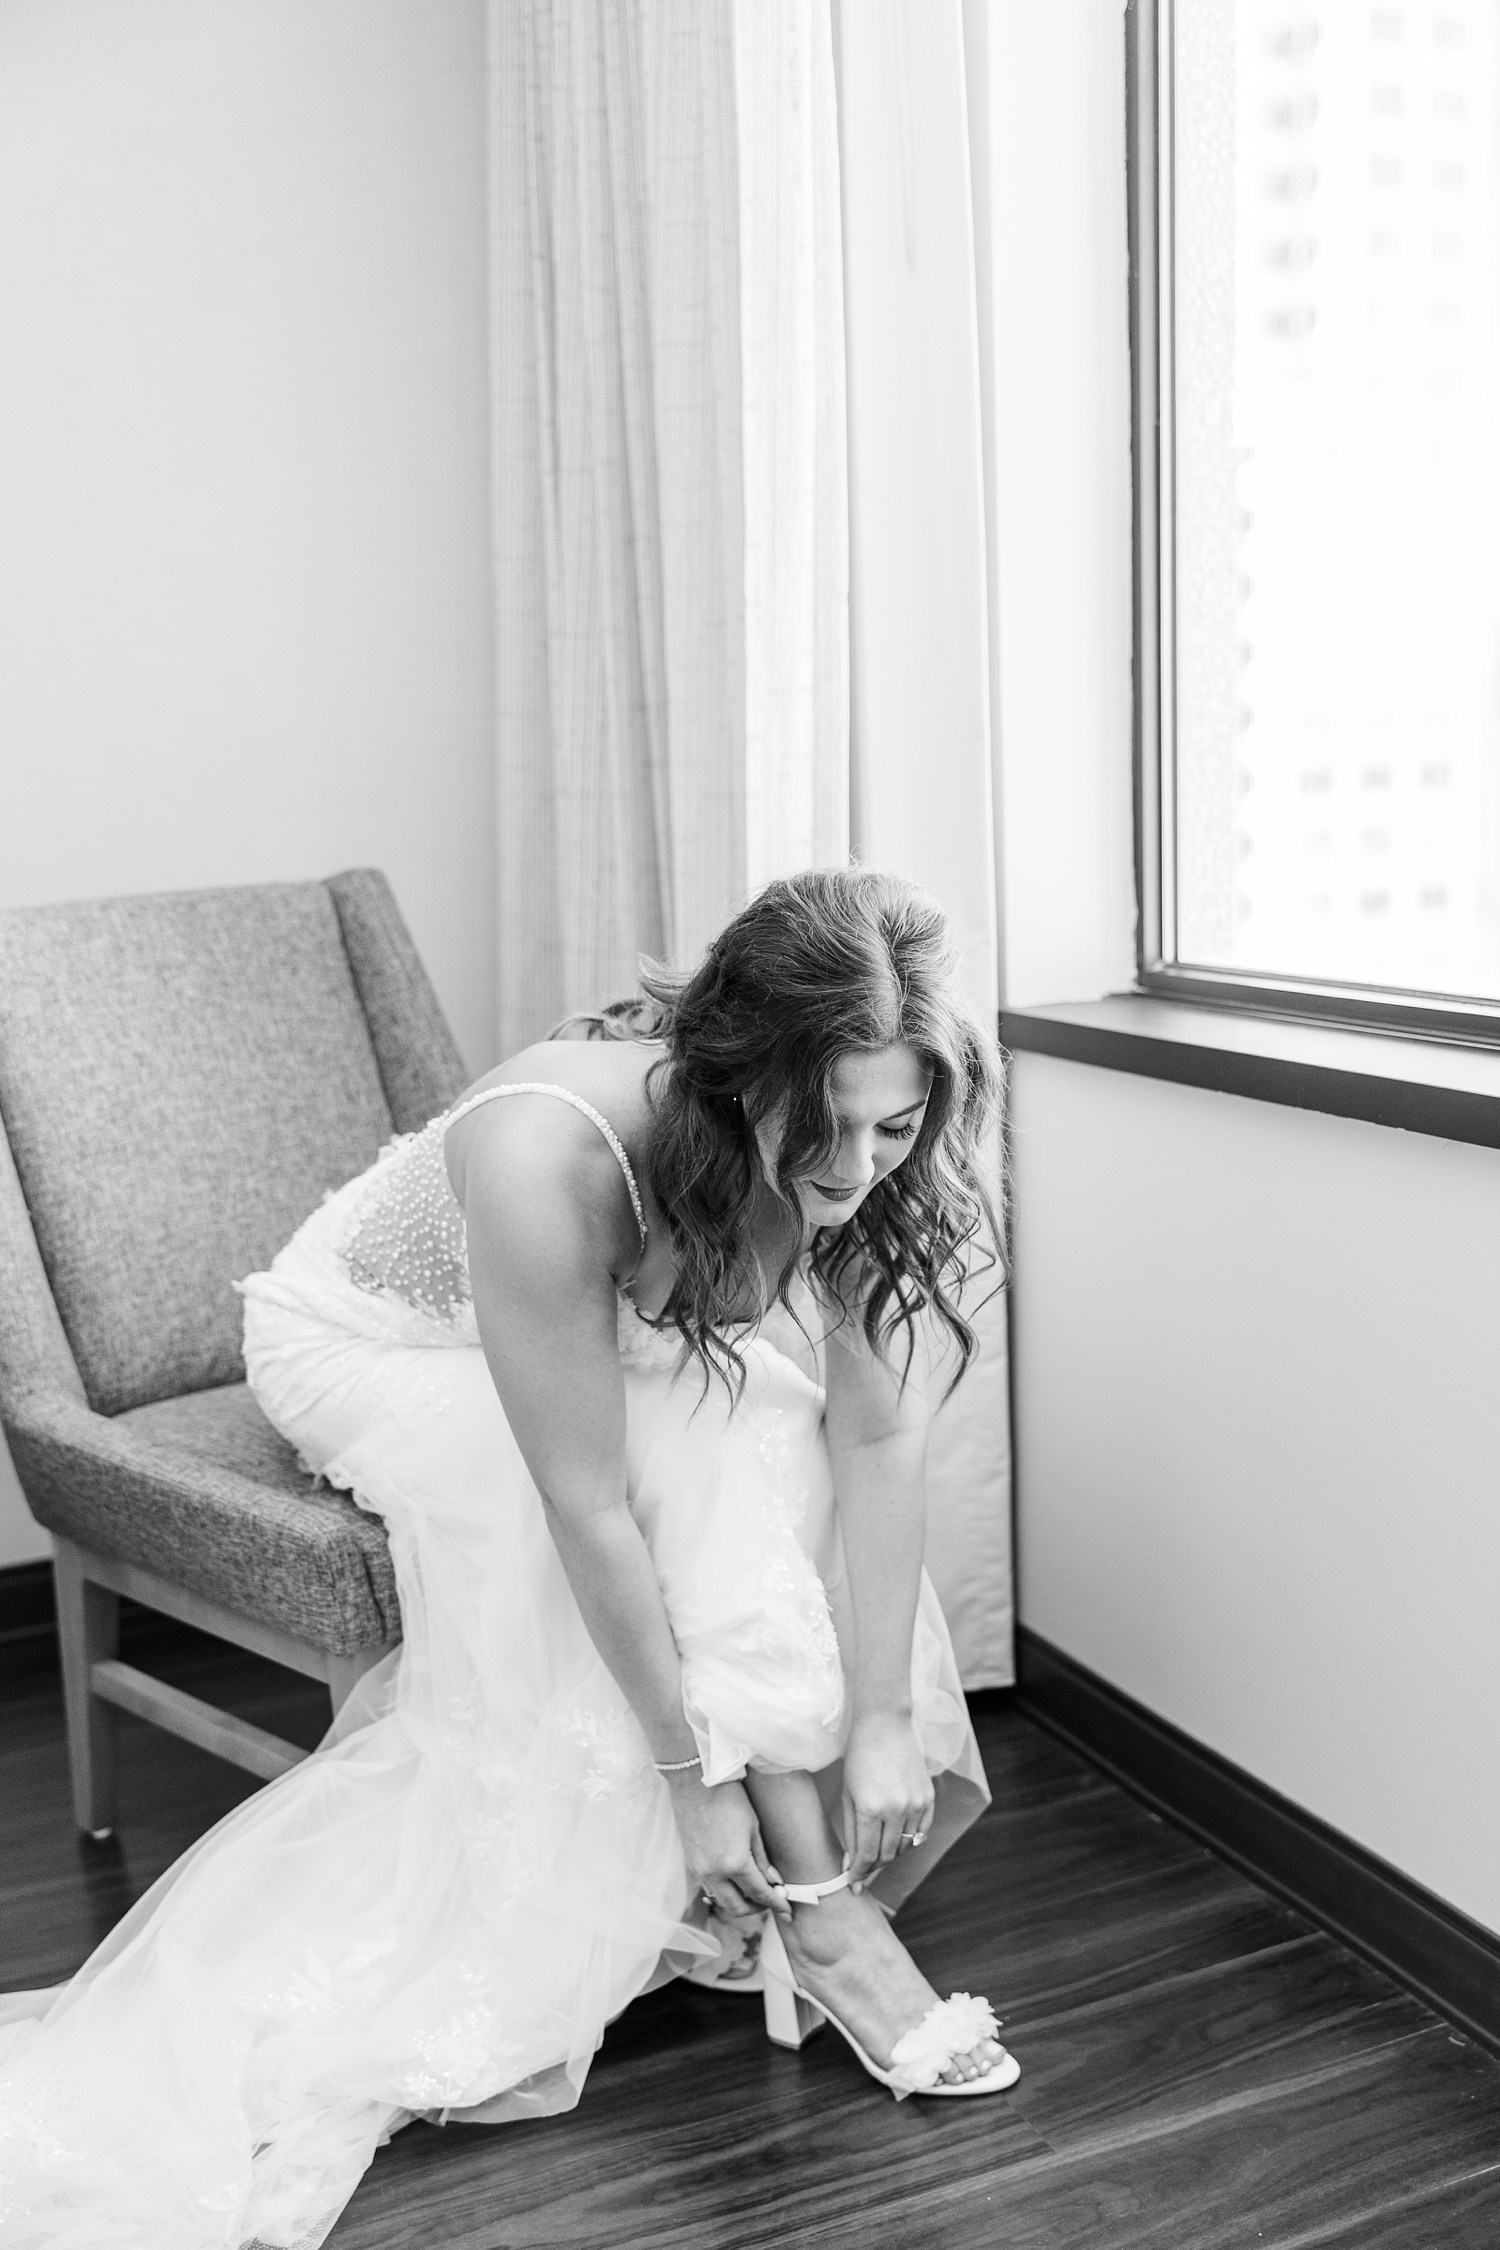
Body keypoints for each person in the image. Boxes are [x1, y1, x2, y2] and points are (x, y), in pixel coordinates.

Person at [0, 867, 1017, 2250]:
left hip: (566, 1335)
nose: (853, 1174)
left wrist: (889, 1717)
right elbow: (587, 1500)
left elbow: (881, 1428)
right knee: (700, 1463)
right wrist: (687, 1782)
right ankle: (821, 1909)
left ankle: (810, 1880)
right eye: (823, 1130)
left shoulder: (858, 1156)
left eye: (894, 1128)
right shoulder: (553, 1155)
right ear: (736, 1075)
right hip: (363, 1347)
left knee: (768, 1443)